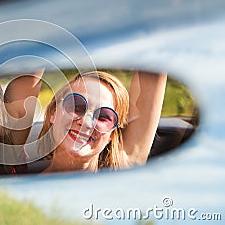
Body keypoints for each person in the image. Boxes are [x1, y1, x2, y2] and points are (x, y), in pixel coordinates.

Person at [37, 70, 167, 173]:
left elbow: (155, 70)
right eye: (77, 106)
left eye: (103, 116)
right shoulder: (23, 188)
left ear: (111, 134)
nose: (86, 123)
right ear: (53, 113)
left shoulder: (124, 170)